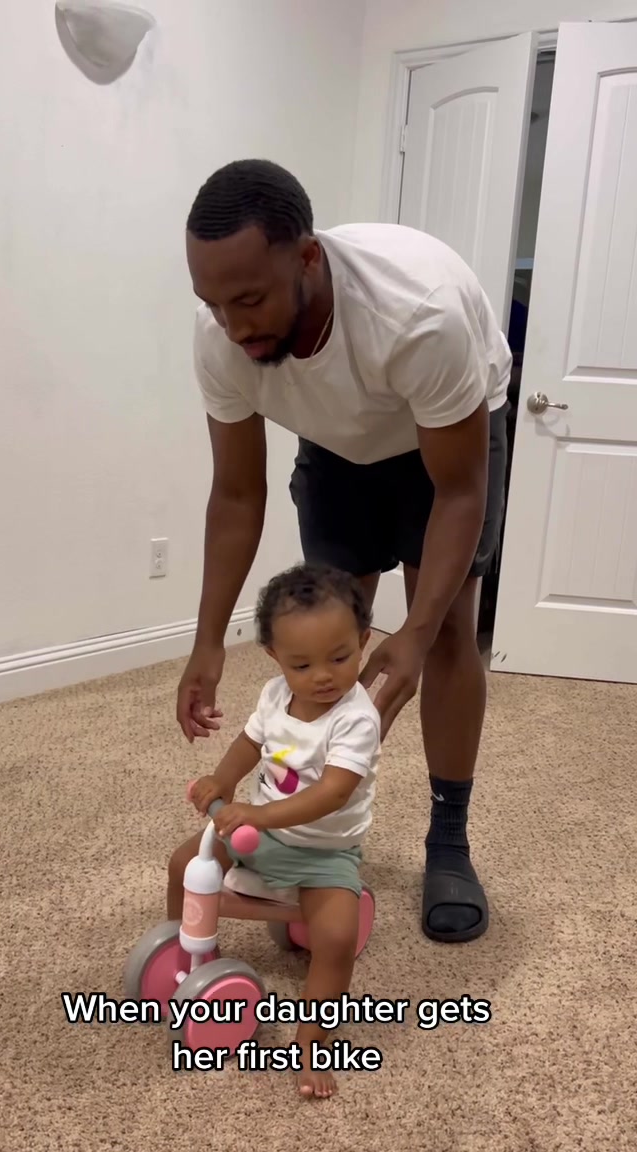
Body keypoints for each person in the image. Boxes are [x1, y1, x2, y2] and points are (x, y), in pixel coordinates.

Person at [178, 158, 513, 946]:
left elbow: (459, 492)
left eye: (249, 300)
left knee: (445, 632)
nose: (233, 326)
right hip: (335, 442)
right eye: (214, 303)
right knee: (331, 635)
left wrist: (416, 632)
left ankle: (449, 840)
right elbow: (237, 494)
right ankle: (317, 846)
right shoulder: (222, 336)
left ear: (307, 257)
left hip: (445, 441)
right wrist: (207, 640)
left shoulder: (419, 315)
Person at [168, 563, 381, 1099]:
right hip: (257, 835)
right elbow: (249, 743)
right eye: (301, 664)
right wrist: (222, 779)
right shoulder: (273, 695)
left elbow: (332, 793)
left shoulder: (356, 719)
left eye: (340, 657)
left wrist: (258, 815)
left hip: (324, 853)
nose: (322, 676)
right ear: (274, 657)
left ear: (364, 640)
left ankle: (313, 1041)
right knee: (183, 865)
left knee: (336, 938)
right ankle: (184, 960)